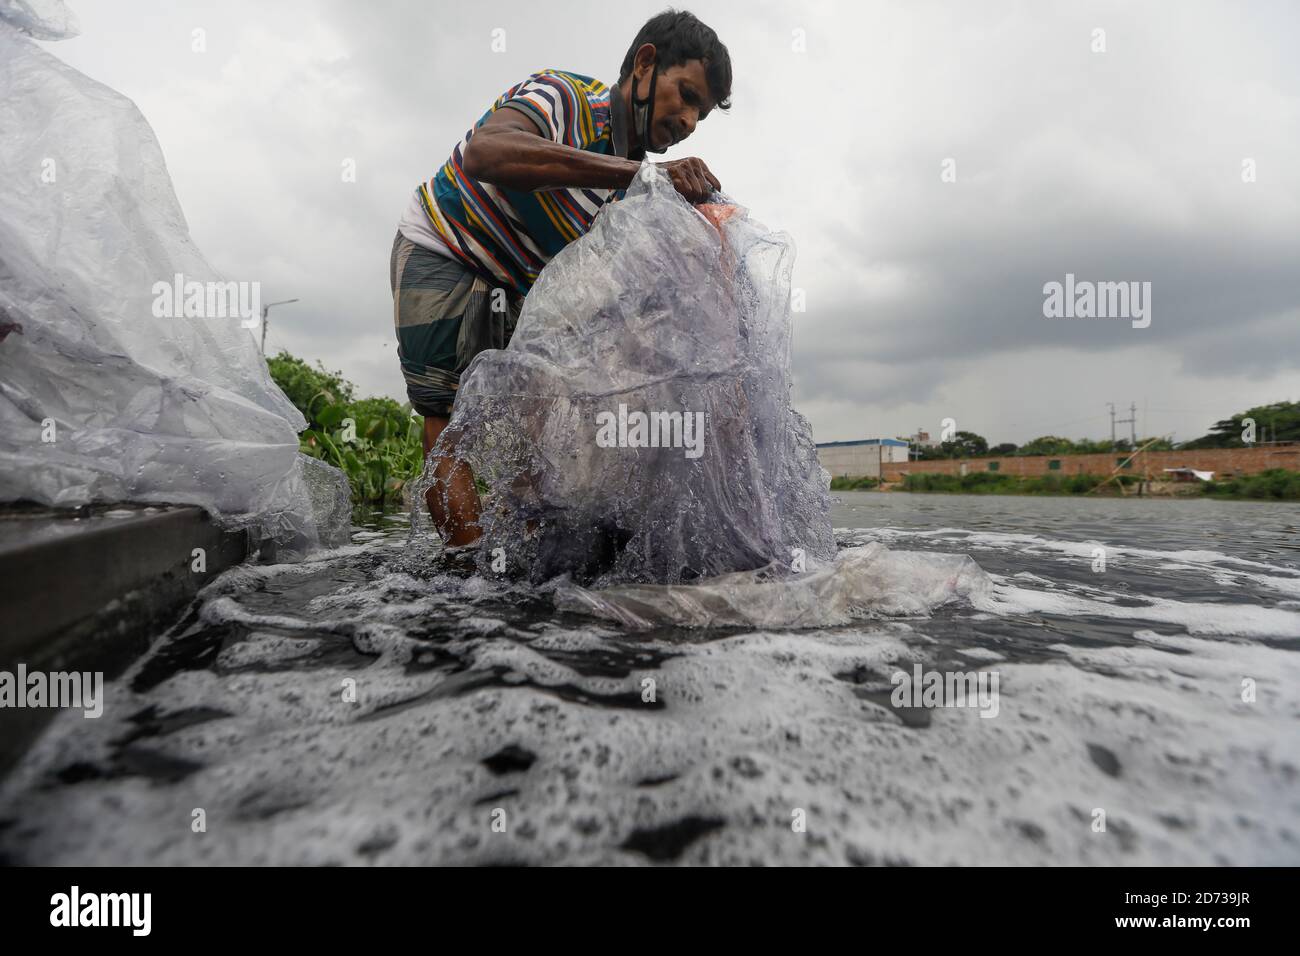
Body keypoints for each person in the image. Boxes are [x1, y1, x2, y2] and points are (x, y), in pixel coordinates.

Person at [389, 9, 731, 548]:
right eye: (685, 95)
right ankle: (462, 580)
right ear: (645, 65)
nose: (688, 121)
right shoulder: (566, 97)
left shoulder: (639, 190)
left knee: (541, 437)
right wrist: (640, 173)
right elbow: (487, 152)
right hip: (448, 245)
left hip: (523, 285)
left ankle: (525, 573)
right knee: (447, 418)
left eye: (701, 115)